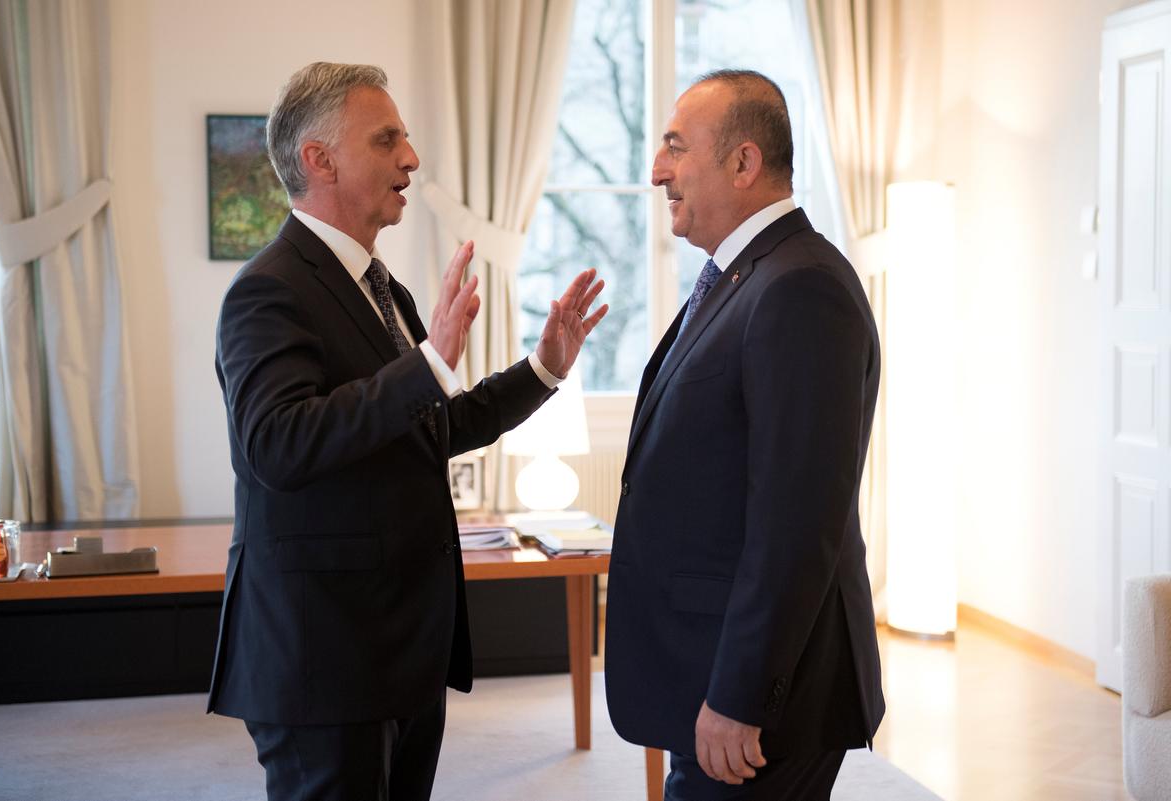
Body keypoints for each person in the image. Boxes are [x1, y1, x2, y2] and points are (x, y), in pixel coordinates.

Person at [208, 62, 607, 801]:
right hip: (322, 656)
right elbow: (280, 444)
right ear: (318, 159)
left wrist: (543, 368)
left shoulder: (384, 289)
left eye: (407, 138)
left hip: (401, 648)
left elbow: (433, 425)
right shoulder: (267, 290)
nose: (411, 159)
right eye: (387, 139)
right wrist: (427, 364)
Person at [604, 69, 884, 800]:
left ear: (743, 162)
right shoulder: (743, 277)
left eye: (674, 147)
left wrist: (740, 696)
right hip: (711, 671)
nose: (657, 170)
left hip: (760, 702)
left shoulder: (800, 289)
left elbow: (795, 524)